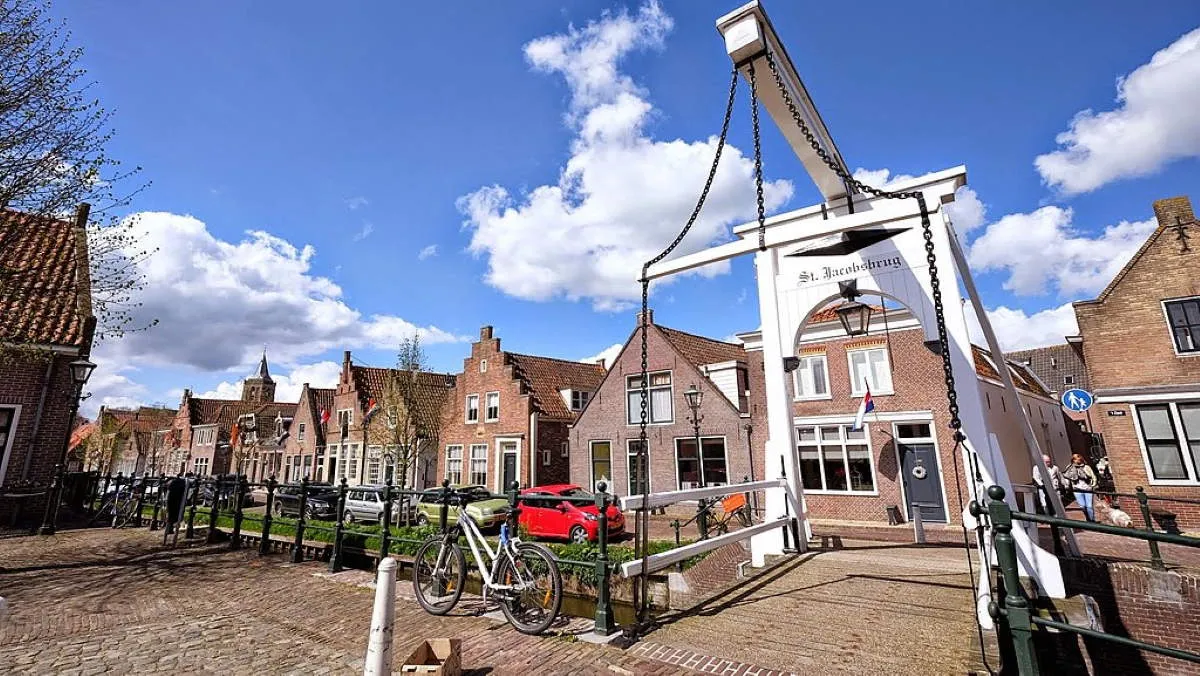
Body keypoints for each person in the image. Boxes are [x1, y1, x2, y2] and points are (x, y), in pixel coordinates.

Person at [1063, 453, 1098, 522]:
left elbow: (1093, 476)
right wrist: (1066, 485)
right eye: (1075, 459)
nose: (1077, 460)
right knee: (1082, 506)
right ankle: (1087, 517)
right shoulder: (1070, 468)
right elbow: (1067, 477)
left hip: (1087, 488)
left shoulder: (1086, 467)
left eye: (1078, 458)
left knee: (1089, 506)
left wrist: (1093, 485)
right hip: (1077, 489)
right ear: (1073, 460)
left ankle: (1092, 520)